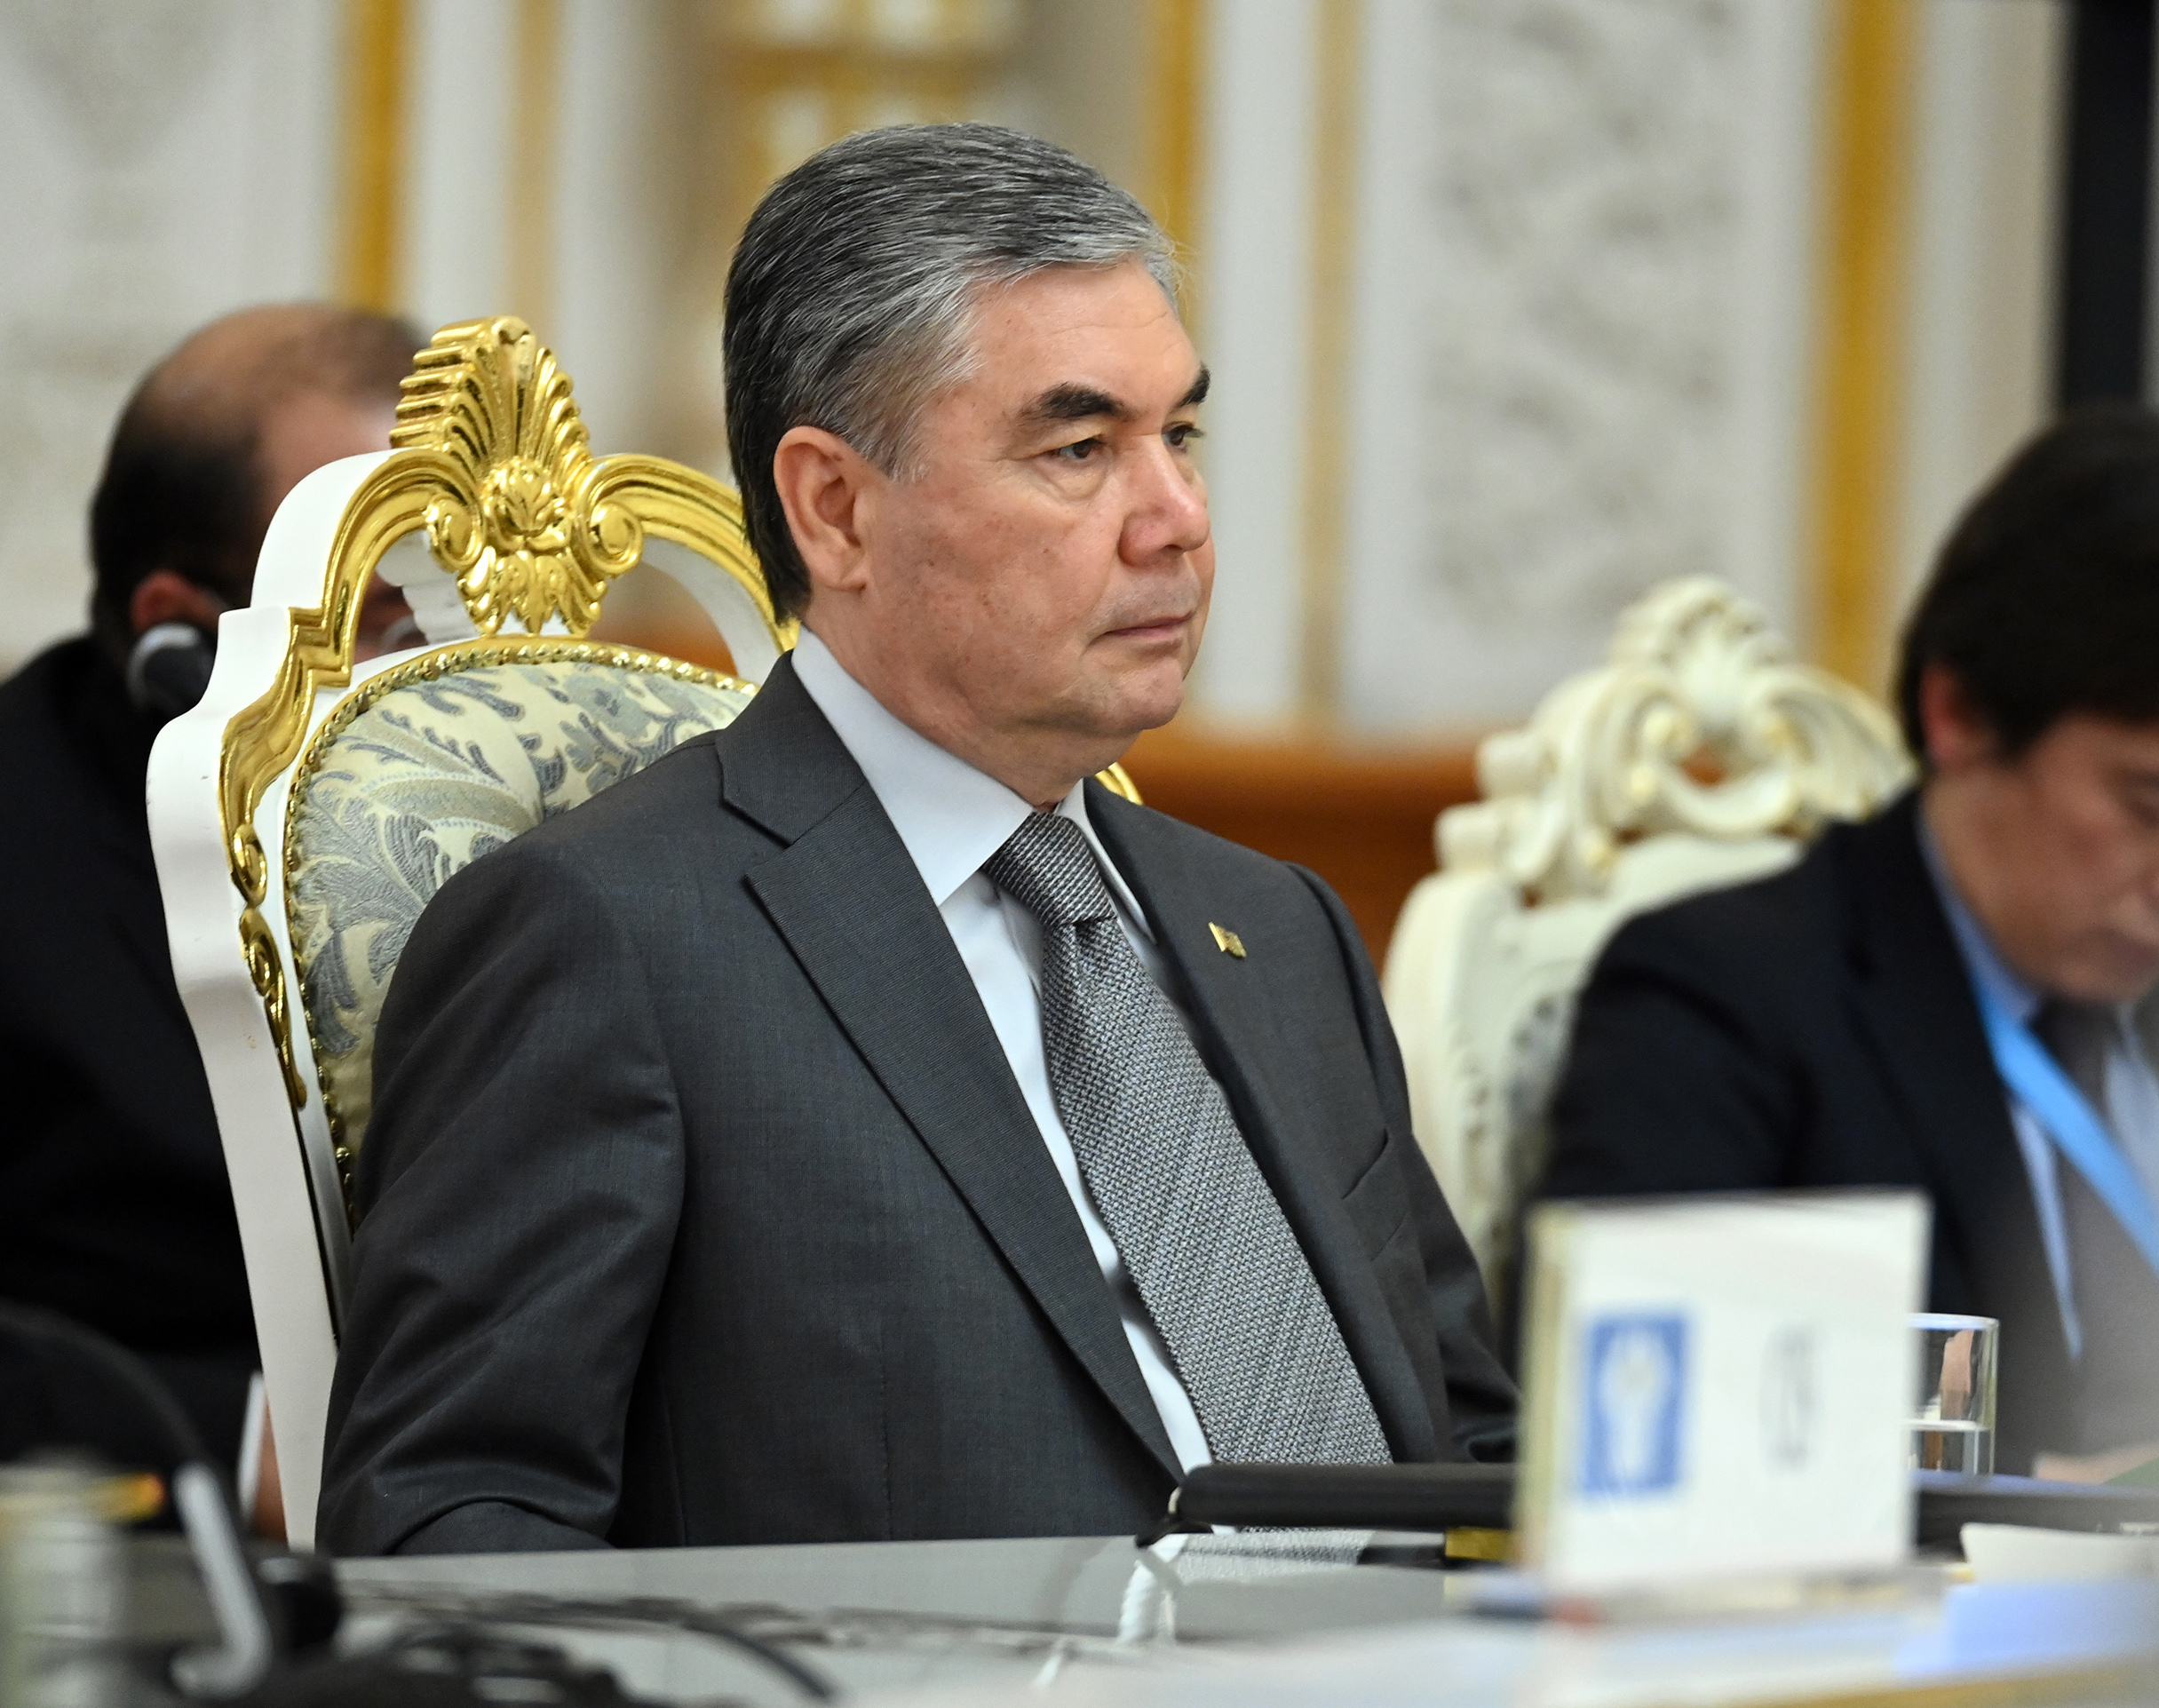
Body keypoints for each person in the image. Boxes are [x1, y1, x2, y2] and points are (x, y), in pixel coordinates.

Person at [319, 124, 1516, 1556]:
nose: (1178, 520)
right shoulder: (610, 939)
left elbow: (1473, 1456)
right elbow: (448, 1527)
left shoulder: (1278, 925)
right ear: (835, 509)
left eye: (1179, 436)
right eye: (1080, 449)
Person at [1538, 409, 2159, 1477]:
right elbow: (1641, 1425)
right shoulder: (1727, 999)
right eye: (2155, 806)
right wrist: (2036, 1494)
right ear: (1961, 714)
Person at [0, 306, 420, 1493]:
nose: (467, 681)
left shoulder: (559, 799)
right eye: (396, 629)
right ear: (178, 635)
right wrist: (243, 1451)